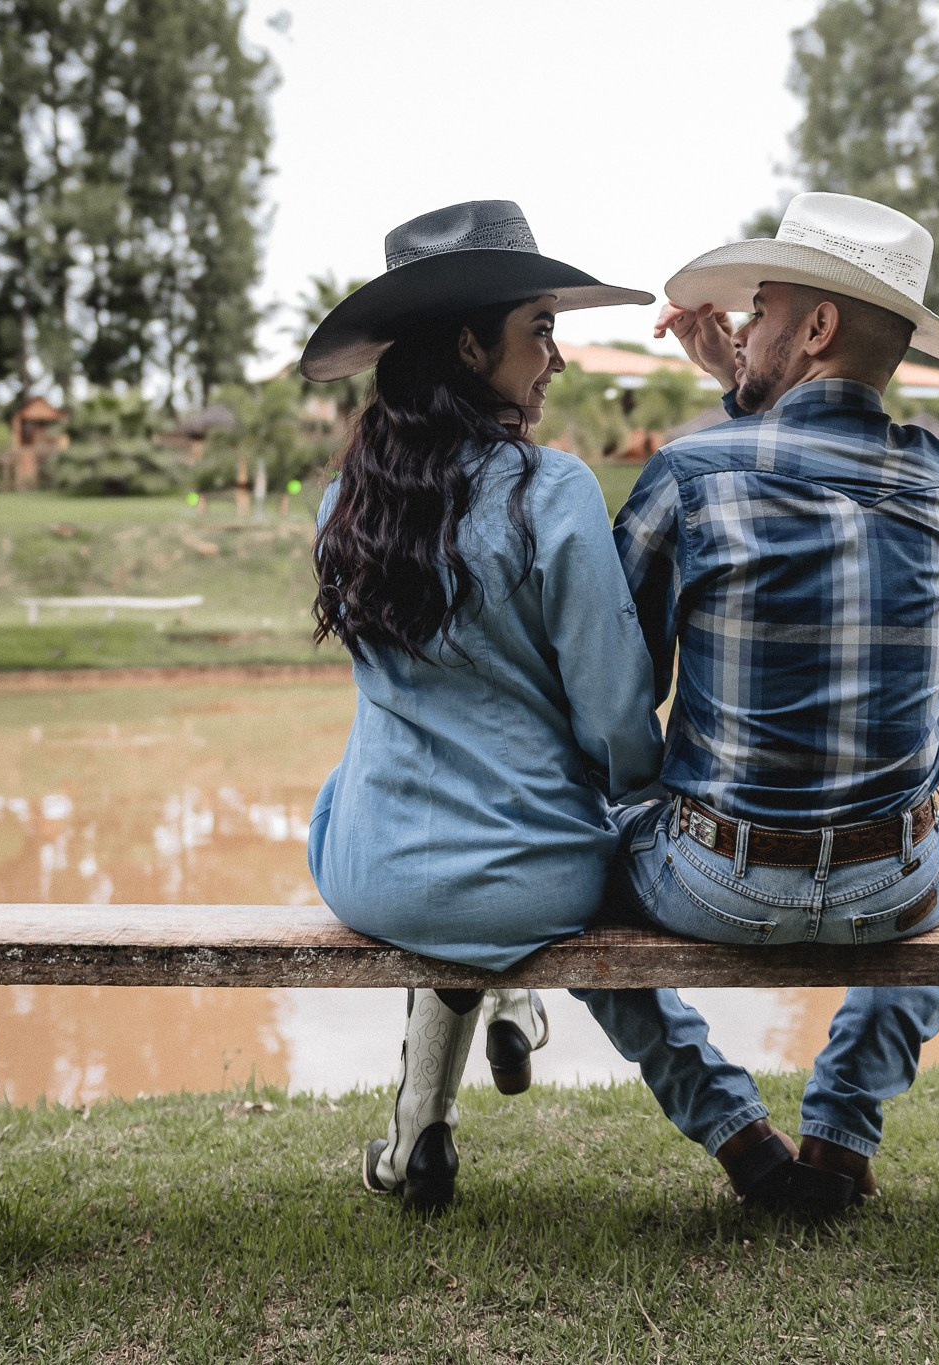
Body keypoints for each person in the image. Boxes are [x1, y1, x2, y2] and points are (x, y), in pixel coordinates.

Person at [573, 192, 939, 1215]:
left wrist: (736, 390)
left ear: (813, 331)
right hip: (892, 880)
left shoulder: (687, 475)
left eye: (761, 309)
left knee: (554, 889)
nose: (744, 326)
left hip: (713, 883)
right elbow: (819, 466)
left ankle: (732, 1129)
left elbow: (617, 687)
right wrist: (746, 374)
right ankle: (843, 1127)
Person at [300, 200, 664, 1212]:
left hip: (369, 874)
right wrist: (634, 798)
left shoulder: (345, 504)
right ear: (470, 345)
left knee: (347, 784)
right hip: (533, 881)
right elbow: (617, 712)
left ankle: (421, 1136)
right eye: (539, 329)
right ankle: (506, 992)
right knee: (506, 849)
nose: (555, 359)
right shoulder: (553, 493)